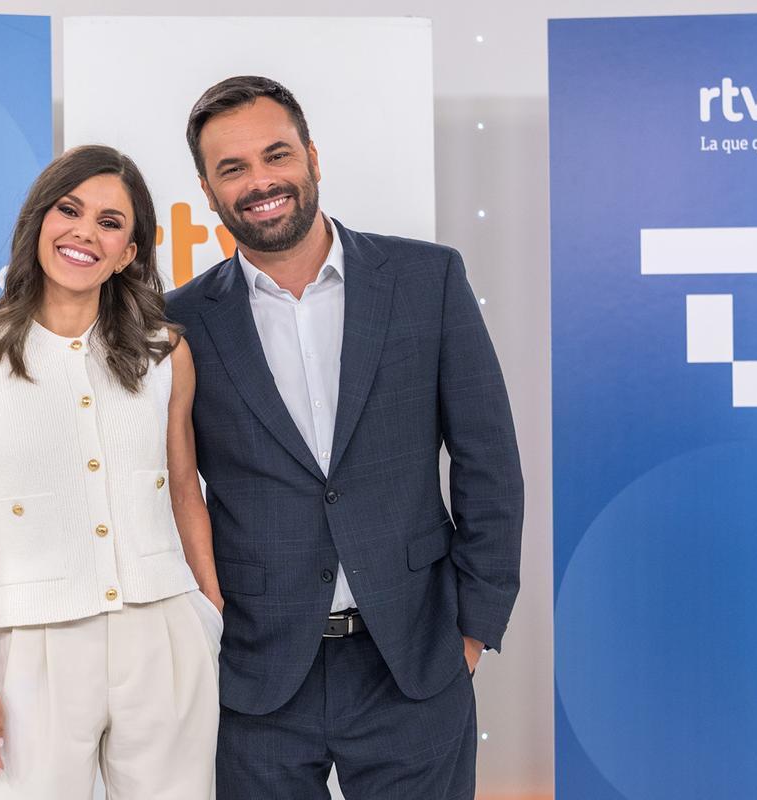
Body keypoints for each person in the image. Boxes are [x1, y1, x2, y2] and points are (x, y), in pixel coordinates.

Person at [165, 76, 525, 799]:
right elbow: (168, 491)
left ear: (313, 158)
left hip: (416, 662)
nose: (261, 181)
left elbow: (489, 462)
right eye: (232, 168)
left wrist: (472, 633)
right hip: (258, 677)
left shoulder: (428, 279)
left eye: (277, 155)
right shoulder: (179, 324)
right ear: (206, 190)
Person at [0, 144, 222, 799]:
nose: (86, 231)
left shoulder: (165, 354)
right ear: (39, 223)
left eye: (111, 222)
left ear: (129, 253)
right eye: (70, 209)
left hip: (165, 636)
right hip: (35, 651)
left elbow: (184, 491)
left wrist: (211, 612)